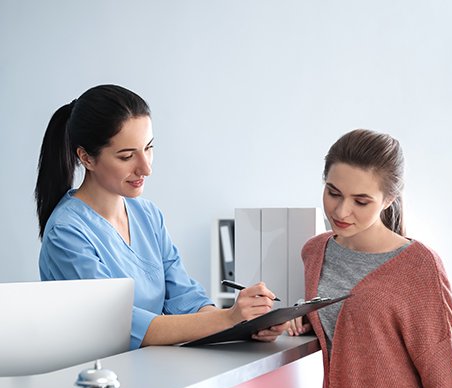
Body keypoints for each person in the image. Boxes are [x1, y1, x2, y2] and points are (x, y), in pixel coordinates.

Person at [289, 129, 452, 388]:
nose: (341, 212)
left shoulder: (419, 268)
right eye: (333, 193)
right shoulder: (314, 253)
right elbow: (349, 335)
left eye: (361, 201)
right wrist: (294, 316)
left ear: (389, 199)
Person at [35, 84, 286, 349]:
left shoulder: (147, 215)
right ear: (86, 158)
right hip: (98, 381)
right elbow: (122, 326)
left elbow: (185, 299)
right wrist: (229, 317)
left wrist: (247, 324)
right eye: (127, 156)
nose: (146, 168)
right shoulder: (66, 232)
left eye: (149, 148)